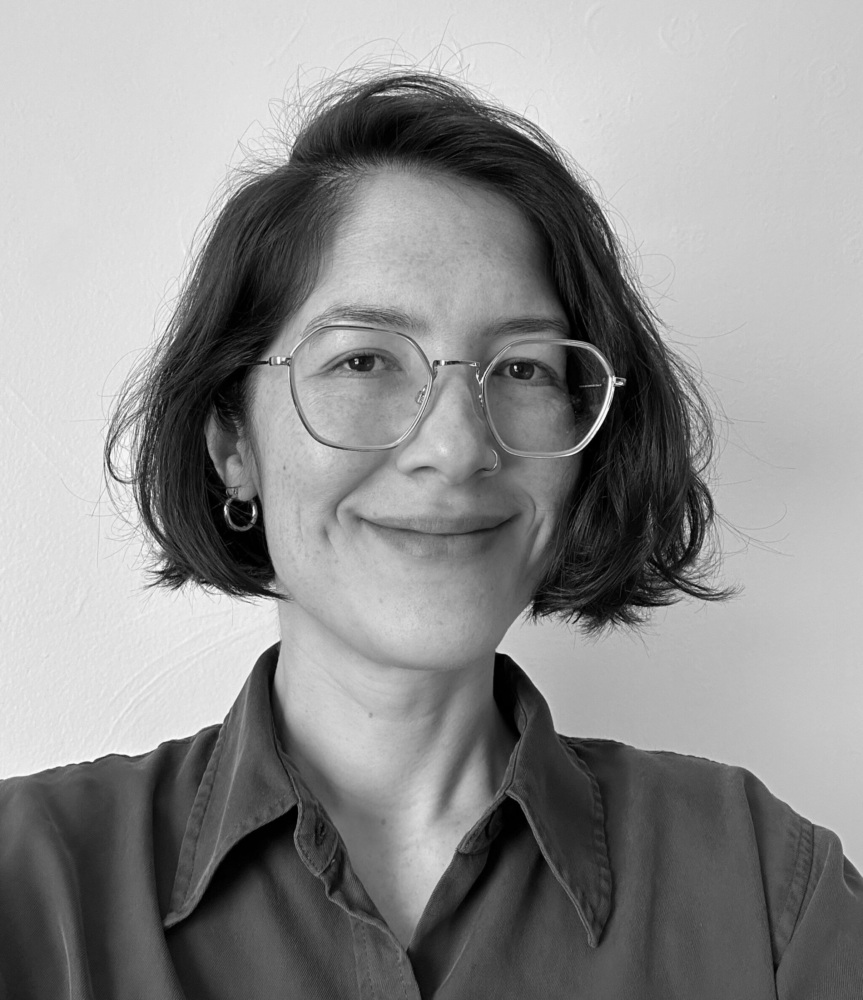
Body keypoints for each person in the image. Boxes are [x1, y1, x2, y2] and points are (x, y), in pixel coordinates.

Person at [1, 70, 860, 999]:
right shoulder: (28, 880)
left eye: (524, 368)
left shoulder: (765, 884)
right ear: (232, 444)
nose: (456, 447)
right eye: (363, 358)